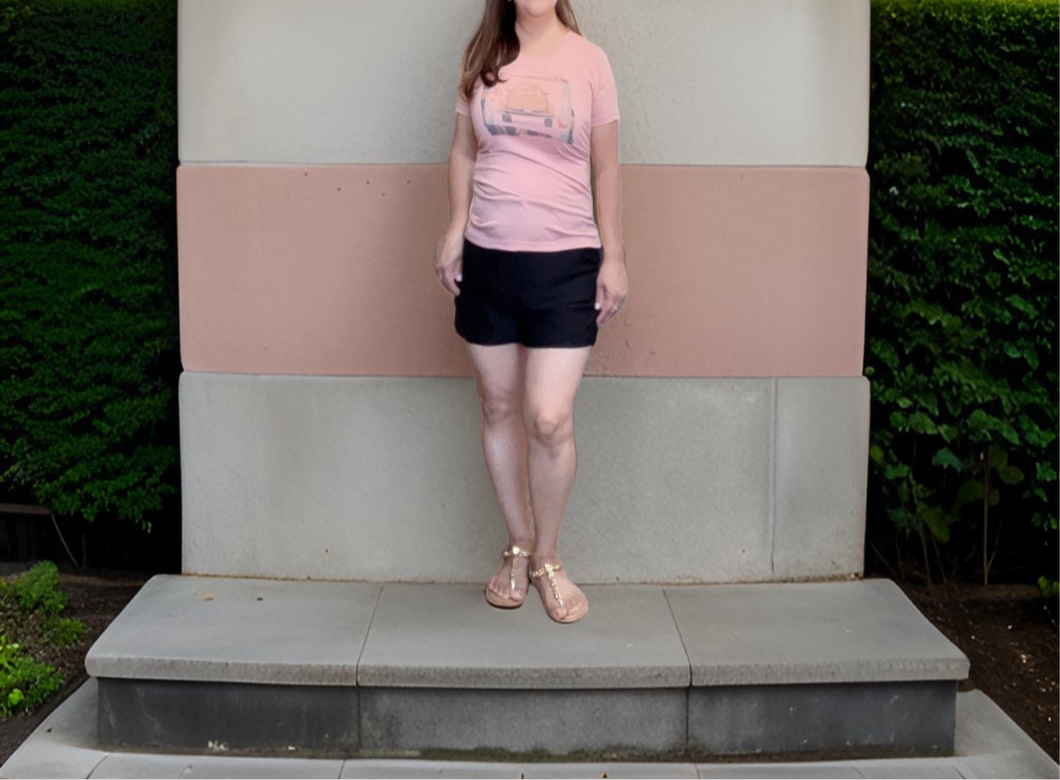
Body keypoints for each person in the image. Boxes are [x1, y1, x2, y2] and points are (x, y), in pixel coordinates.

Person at [432, 0, 626, 624]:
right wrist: (455, 229)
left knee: (547, 416)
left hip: (567, 264)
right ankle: (517, 544)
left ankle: (547, 556)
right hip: (488, 260)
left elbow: (607, 165)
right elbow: (463, 151)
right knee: (497, 405)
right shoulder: (482, 57)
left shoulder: (589, 61)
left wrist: (614, 256)